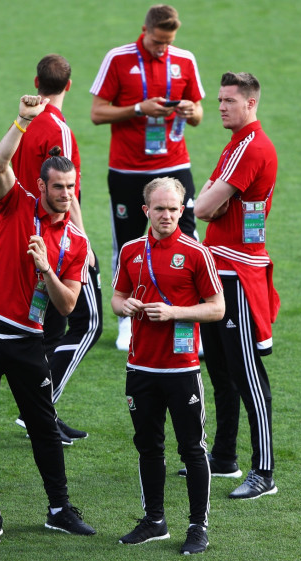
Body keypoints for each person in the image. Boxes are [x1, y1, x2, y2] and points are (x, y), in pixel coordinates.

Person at [0, 95, 96, 543]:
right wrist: (21, 121)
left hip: (25, 341)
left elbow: (68, 305)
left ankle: (59, 508)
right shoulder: (16, 202)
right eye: (58, 187)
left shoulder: (74, 242)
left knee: (43, 425)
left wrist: (46, 269)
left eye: (71, 187)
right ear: (40, 186)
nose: (65, 194)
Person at [111, 177, 223, 555]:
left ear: (182, 210)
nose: (167, 215)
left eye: (174, 209)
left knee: (192, 449)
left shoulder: (196, 253)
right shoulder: (130, 250)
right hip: (141, 368)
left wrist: (175, 312)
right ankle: (154, 521)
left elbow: (217, 307)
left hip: (182, 369)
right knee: (148, 447)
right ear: (146, 211)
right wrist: (123, 306)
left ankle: (197, 526)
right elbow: (117, 296)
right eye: (159, 209)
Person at [89, 4, 205, 351]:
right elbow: (96, 113)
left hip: (174, 165)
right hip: (128, 171)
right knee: (128, 243)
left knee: (188, 242)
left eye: (167, 42)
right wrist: (138, 108)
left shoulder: (184, 58)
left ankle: (188, 319)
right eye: (157, 41)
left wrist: (190, 110)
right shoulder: (118, 58)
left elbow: (199, 114)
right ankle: (126, 320)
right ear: (144, 30)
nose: (162, 48)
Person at [189, 71, 279, 500]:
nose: (221, 106)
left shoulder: (251, 147)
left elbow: (203, 206)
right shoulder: (234, 144)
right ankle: (224, 456)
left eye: (228, 100)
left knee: (247, 374)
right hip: (220, 271)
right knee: (220, 370)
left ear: (251, 103)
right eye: (220, 99)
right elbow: (208, 198)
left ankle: (265, 471)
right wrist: (216, 199)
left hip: (239, 276)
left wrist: (216, 200)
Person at [10, 54, 103, 443]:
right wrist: (85, 242)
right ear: (69, 85)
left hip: (25, 233)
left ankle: (40, 412)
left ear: (36, 80)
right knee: (89, 323)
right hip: (57, 240)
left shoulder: (25, 125)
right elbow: (66, 192)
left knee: (49, 328)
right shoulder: (57, 129)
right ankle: (38, 412)